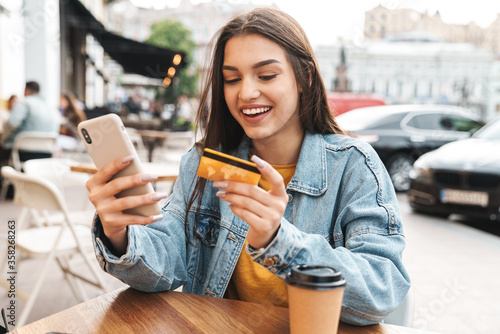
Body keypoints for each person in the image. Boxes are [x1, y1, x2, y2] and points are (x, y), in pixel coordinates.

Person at [86, 8, 410, 326]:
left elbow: (380, 291)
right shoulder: (204, 163)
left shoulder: (354, 166)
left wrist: (279, 240)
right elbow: (166, 264)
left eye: (266, 75)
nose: (247, 92)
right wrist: (120, 236)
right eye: (231, 79)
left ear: (305, 77)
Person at [0, 81, 60, 166]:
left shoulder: (25, 103)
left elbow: (12, 124)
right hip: (47, 153)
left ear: (26, 90)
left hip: (23, 153)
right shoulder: (51, 106)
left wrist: (3, 140)